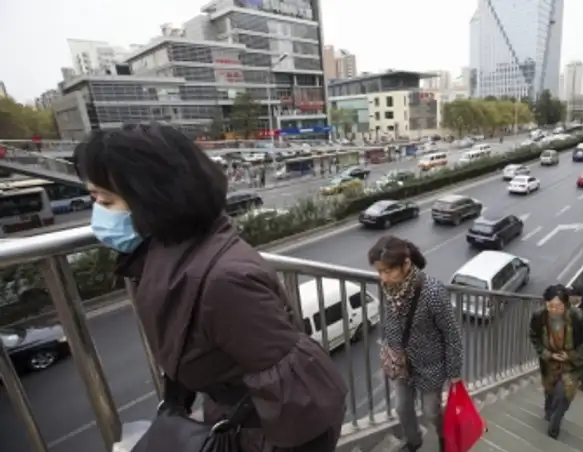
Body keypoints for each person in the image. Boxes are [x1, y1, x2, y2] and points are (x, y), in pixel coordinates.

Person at [74, 124, 347, 452]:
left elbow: (306, 412)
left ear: (154, 198)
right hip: (233, 422)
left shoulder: (223, 281)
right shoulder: (174, 256)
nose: (99, 214)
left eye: (105, 199)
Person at [368, 235, 463, 452]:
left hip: (430, 366)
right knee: (402, 408)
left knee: (432, 412)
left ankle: (444, 438)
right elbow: (390, 319)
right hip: (401, 363)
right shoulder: (387, 288)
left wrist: (455, 373)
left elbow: (451, 334)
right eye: (379, 271)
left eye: (388, 271)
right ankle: (414, 441)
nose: (383, 278)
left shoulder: (432, 292)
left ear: (406, 264)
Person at [529, 285, 583, 439]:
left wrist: (571, 355)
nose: (554, 310)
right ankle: (549, 409)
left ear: (566, 305)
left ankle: (555, 423)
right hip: (549, 363)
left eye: (559, 306)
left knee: (564, 394)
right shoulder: (539, 316)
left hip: (572, 365)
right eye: (551, 306)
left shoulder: (577, 316)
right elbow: (534, 337)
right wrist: (548, 354)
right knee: (550, 390)